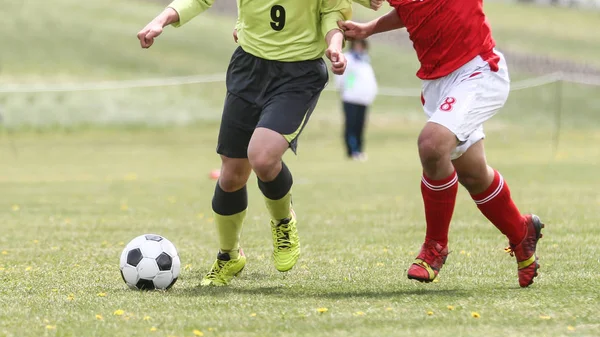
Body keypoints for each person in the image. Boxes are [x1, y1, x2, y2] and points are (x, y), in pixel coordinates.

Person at [137, 0, 383, 287]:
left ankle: (283, 222)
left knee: (263, 157)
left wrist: (335, 46)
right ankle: (229, 256)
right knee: (231, 176)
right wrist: (162, 19)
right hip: (249, 68)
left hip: (298, 74)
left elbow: (331, 13)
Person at [340, 1, 544, 287]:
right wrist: (370, 28)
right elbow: (412, 9)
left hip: (477, 69)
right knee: (473, 174)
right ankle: (522, 232)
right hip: (438, 83)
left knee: (432, 145)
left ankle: (435, 246)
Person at [335, 39, 378, 161]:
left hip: (364, 99)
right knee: (351, 125)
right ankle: (352, 151)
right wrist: (346, 90)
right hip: (351, 98)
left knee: (360, 126)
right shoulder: (348, 58)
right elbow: (343, 78)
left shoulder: (365, 60)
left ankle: (359, 150)